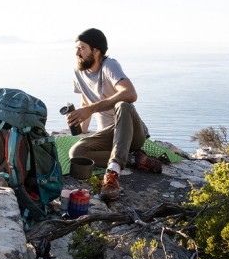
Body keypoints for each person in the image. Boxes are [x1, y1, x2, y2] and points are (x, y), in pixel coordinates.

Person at [67, 28, 162, 202]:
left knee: (123, 104)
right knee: (76, 154)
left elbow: (130, 93)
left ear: (96, 51)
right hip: (108, 135)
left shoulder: (109, 65)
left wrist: (91, 109)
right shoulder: (78, 72)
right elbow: (86, 103)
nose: (77, 52)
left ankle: (113, 173)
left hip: (132, 132)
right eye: (76, 48)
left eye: (82, 48)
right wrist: (78, 122)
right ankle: (136, 159)